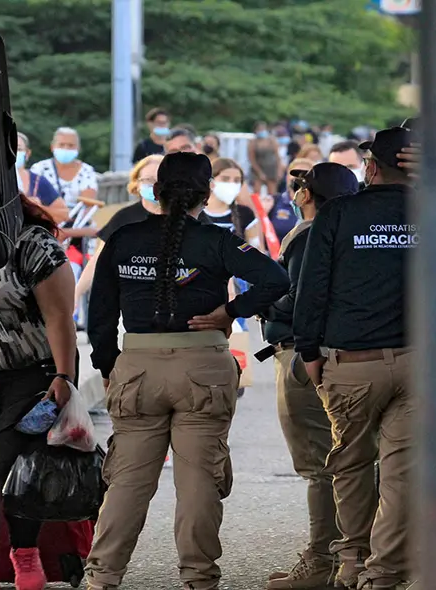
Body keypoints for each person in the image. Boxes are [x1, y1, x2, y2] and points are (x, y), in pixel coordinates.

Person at [85, 152, 289, 590]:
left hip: (136, 366)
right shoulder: (217, 241)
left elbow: (100, 313)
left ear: (155, 192)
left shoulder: (123, 239)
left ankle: (102, 577)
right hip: (203, 368)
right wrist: (230, 313)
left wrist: (108, 367)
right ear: (207, 193)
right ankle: (198, 578)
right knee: (199, 480)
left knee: (127, 481)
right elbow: (276, 278)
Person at [293, 127, 417, 590]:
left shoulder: (341, 213)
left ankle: (351, 561)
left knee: (351, 465)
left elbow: (312, 287)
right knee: (402, 470)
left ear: (369, 167)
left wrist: (308, 351)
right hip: (418, 360)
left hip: (352, 362)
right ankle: (385, 571)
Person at [0, 195, 79, 590]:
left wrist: (64, 376)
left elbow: (60, 317)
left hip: (34, 373)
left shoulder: (33, 245)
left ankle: (25, 552)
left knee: (17, 466)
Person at [259, 163, 360, 590]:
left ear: (306, 195)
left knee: (321, 465)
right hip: (346, 354)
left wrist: (260, 299)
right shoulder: (356, 231)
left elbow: (298, 299)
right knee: (353, 462)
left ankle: (324, 560)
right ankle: (356, 558)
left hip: (304, 357)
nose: (294, 191)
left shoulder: (309, 234)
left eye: (299, 185)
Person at [74, 155, 163, 308]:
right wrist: (76, 293)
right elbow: (98, 260)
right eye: (148, 180)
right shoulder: (124, 218)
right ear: (137, 183)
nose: (154, 185)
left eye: (160, 179)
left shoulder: (188, 214)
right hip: (135, 304)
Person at [30, 127, 100, 209]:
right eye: (61, 145)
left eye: (71, 145)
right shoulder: (39, 169)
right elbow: (32, 199)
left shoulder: (87, 171)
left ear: (78, 148)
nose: (66, 148)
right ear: (52, 147)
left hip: (77, 220)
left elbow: (88, 204)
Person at [205, 158, 261, 248]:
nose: (231, 184)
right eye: (225, 179)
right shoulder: (195, 213)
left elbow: (255, 252)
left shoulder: (245, 214)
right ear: (211, 181)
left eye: (237, 180)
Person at [16, 131, 68, 224]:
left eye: (18, 149)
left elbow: (63, 214)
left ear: (27, 153)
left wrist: (38, 208)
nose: (13, 152)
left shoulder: (37, 181)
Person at [248, 122, 284, 196]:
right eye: (260, 129)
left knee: (272, 194)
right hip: (258, 168)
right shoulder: (253, 143)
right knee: (256, 193)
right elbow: (252, 159)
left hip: (271, 168)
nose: (262, 131)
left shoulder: (272, 141)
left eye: (263, 129)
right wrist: (259, 172)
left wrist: (279, 170)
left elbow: (278, 157)